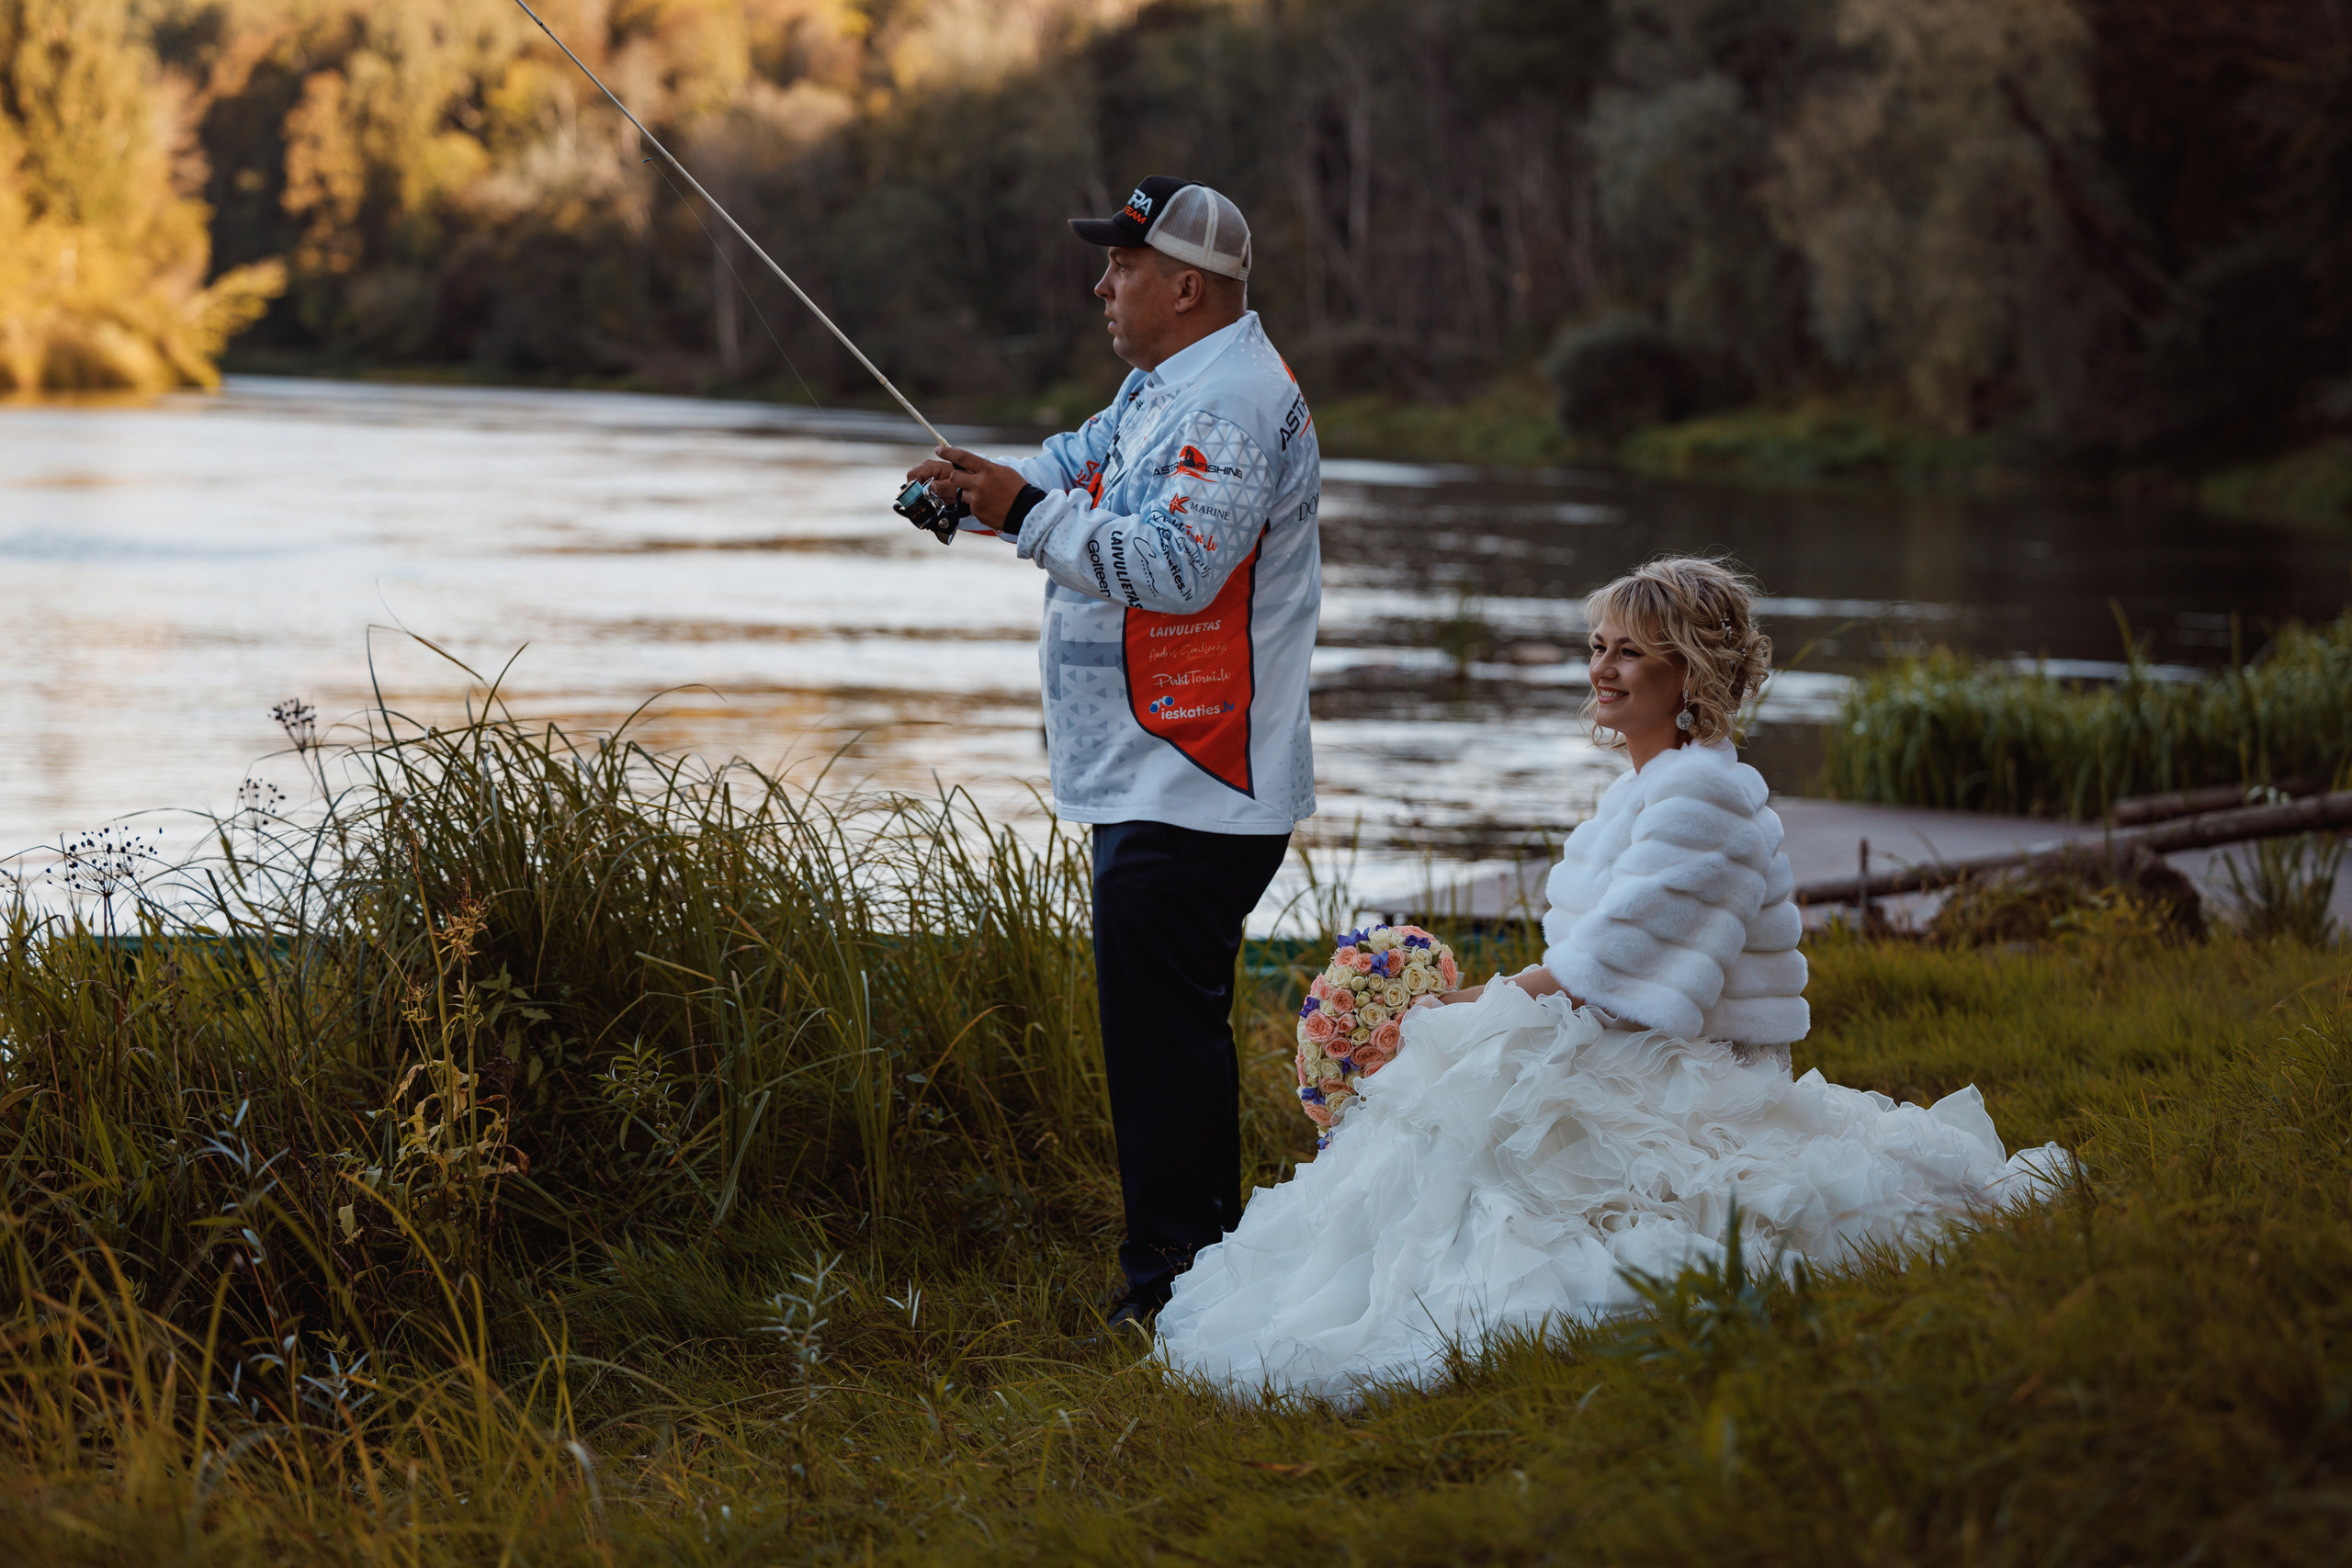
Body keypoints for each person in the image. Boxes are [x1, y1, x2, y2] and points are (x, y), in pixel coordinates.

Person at [1155, 557, 2071, 1400]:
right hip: (1633, 1042)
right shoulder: (1646, 788)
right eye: (1598, 648)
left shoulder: (1699, 799)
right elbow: (1594, 973)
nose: (1603, 669)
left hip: (1681, 1065)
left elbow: (1607, 976)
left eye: (1631, 653)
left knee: (1475, 1114)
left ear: (1691, 672)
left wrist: (1453, 1007)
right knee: (1451, 1112)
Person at [904, 178, 1321, 1329]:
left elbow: (1182, 566)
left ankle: (1175, 1295)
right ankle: (1194, 1274)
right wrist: (986, 491)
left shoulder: (1230, 402)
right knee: (1163, 1039)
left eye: (1122, 268)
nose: (1102, 285)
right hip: (1164, 771)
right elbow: (1078, 464)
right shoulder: (1164, 386)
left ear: (1185, 288)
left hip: (1202, 776)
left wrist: (1024, 517)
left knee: (1161, 1053)